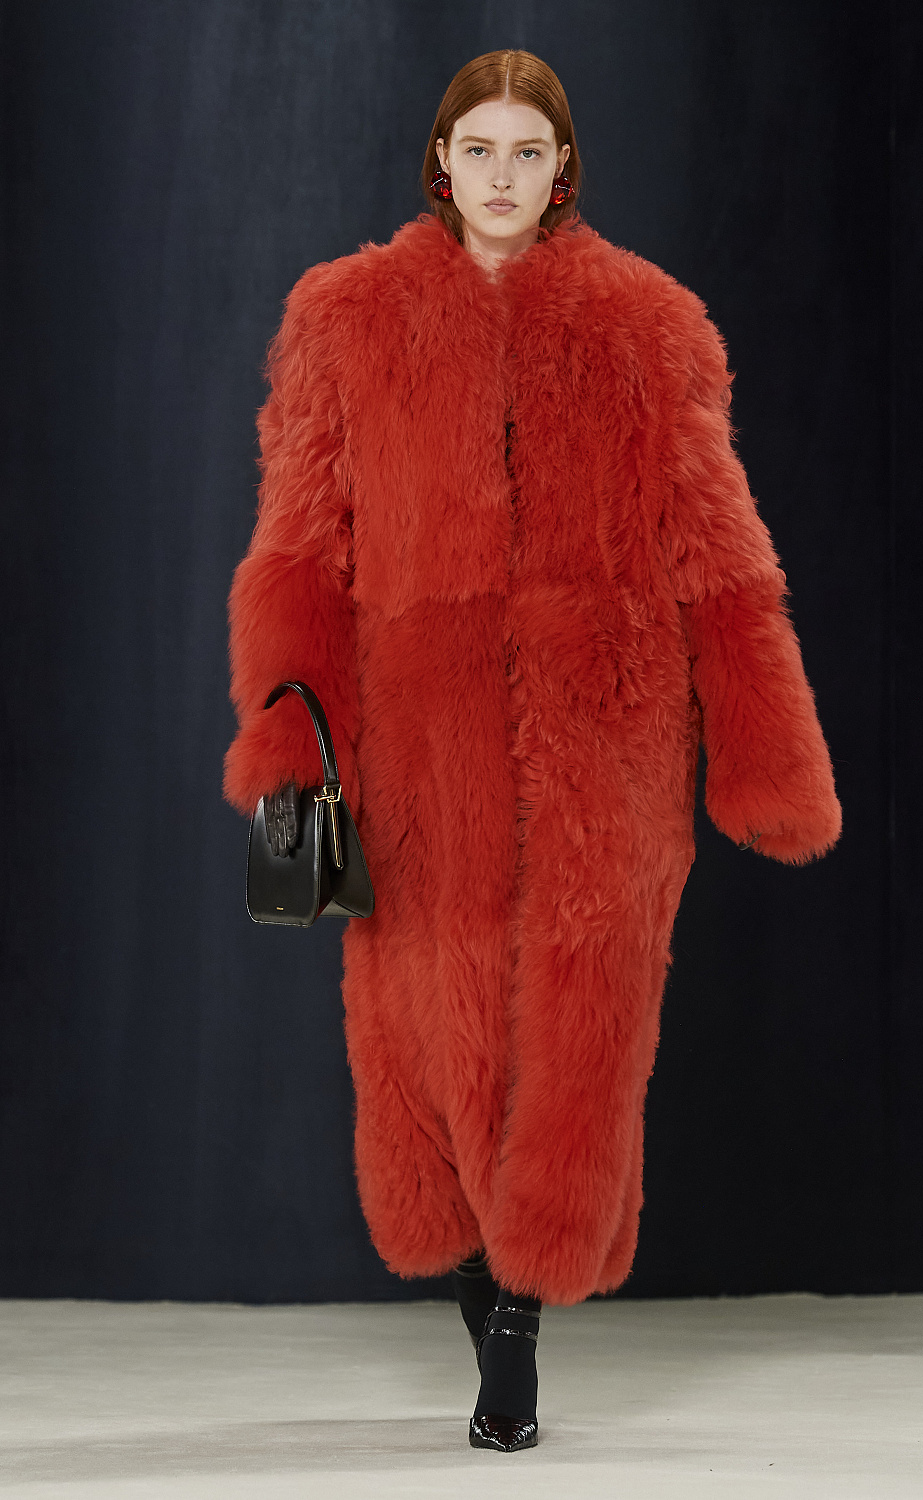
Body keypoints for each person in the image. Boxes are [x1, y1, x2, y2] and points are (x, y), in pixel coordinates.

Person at [224, 49, 841, 1453]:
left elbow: (721, 552)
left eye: (529, 152)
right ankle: (475, 1279)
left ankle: (518, 1324)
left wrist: (764, 750)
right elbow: (300, 543)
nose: (501, 176)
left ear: (564, 171)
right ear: (440, 162)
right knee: (427, 1032)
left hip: (608, 728)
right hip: (416, 735)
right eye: (479, 149)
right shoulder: (344, 319)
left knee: (580, 1023)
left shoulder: (650, 326)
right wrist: (290, 730)